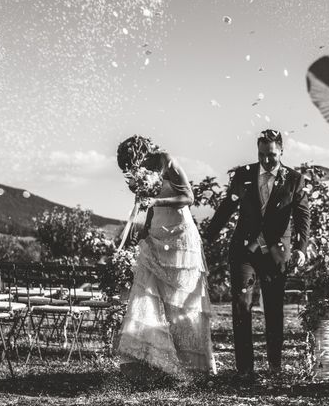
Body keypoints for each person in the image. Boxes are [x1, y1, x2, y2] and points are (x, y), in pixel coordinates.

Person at [204, 129, 310, 383]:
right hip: (245, 251)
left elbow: (303, 216)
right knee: (241, 305)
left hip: (275, 252)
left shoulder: (294, 180)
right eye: (262, 154)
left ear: (281, 151)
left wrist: (301, 248)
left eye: (271, 155)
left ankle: (274, 365)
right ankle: (245, 369)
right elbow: (228, 206)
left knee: (274, 309)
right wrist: (207, 236)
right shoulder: (244, 175)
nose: (266, 160)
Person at [113, 135, 215, 377]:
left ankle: (192, 367)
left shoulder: (165, 160)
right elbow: (148, 208)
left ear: (137, 154)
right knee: (146, 297)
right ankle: (149, 363)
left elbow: (189, 197)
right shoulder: (141, 174)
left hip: (179, 236)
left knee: (180, 304)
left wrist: (156, 200)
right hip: (156, 236)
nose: (132, 170)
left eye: (131, 164)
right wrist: (144, 232)